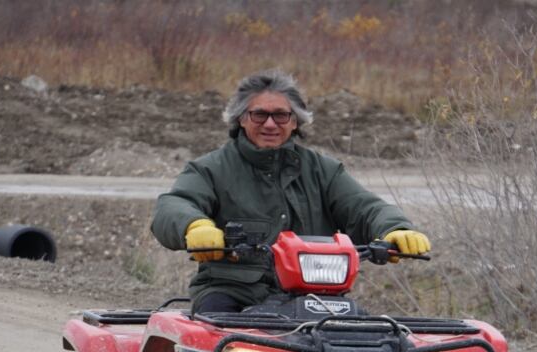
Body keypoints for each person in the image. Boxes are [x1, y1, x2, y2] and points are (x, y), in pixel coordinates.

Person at [151, 70, 430, 313]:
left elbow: (365, 207)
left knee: (367, 348)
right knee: (215, 338)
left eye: (281, 115)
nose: (270, 124)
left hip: (316, 296)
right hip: (232, 294)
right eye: (259, 114)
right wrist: (194, 226)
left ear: (295, 121)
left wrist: (395, 229)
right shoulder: (209, 169)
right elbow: (174, 204)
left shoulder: (324, 171)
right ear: (241, 120)